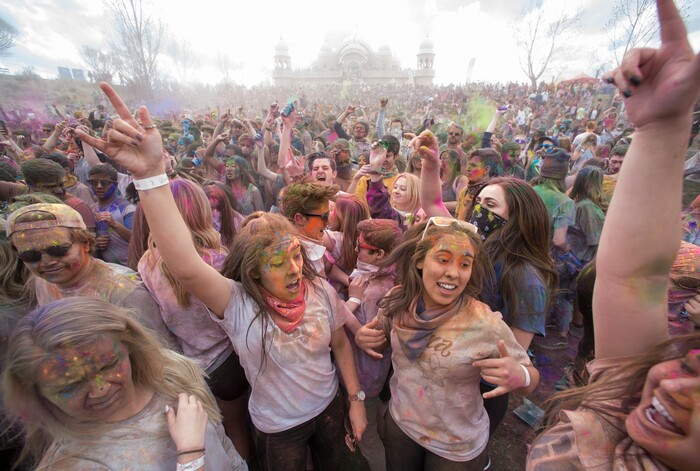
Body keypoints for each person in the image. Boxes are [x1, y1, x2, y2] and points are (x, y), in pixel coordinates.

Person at [76, 85, 369, 471]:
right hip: (278, 428)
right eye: (278, 263)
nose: (295, 269)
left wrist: (357, 400)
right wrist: (150, 175)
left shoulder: (318, 291)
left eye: (296, 256)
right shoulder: (237, 303)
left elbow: (341, 346)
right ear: (251, 271)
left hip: (331, 407)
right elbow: (184, 265)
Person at [527, 1, 700, 469]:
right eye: (687, 364)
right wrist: (662, 128)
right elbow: (634, 281)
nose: (674, 386)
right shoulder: (625, 407)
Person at [356, 130, 539, 470]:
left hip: (457, 436)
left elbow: (525, 369)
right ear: (422, 260)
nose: (454, 272)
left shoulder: (496, 307)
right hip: (403, 422)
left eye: (465, 265)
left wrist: (519, 376)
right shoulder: (399, 298)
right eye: (443, 260)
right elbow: (434, 205)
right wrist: (366, 334)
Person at [2, 297, 246, 470]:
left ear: (128, 344)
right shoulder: (73, 464)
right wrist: (190, 456)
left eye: (107, 365)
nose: (99, 389)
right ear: (38, 393)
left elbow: (222, 443)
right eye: (71, 385)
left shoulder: (172, 372)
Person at [5, 202, 177, 349]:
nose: (47, 262)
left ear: (85, 243)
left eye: (58, 250)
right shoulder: (41, 282)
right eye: (30, 256)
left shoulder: (124, 290)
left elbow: (163, 353)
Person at [343, 219, 403, 471]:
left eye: (361, 247)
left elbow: (376, 343)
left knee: (368, 440)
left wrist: (352, 301)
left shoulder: (376, 291)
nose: (356, 251)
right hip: (372, 379)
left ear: (379, 254)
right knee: (375, 420)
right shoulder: (371, 276)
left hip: (365, 379)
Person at [88, 163, 135, 266]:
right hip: (106, 269)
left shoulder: (127, 208)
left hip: (130, 269)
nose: (98, 186)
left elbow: (136, 240)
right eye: (94, 182)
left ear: (115, 185)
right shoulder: (92, 209)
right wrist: (96, 243)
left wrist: (115, 225)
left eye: (104, 183)